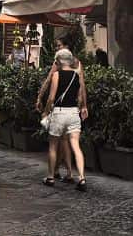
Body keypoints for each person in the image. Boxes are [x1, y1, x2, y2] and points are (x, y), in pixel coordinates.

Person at [41, 48, 88, 190]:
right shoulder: (76, 75)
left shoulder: (56, 75)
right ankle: (82, 178)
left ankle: (50, 177)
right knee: (76, 145)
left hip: (59, 113)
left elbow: (51, 97)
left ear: (59, 61)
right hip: (74, 113)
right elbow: (80, 96)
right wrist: (83, 107)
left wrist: (45, 111)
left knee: (53, 146)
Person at [37, 38, 75, 182]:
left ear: (66, 47)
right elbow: (81, 86)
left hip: (59, 108)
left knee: (54, 143)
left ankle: (52, 174)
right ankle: (68, 172)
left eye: (58, 46)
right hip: (72, 109)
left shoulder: (58, 63)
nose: (56, 48)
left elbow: (49, 80)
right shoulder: (76, 63)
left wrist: (40, 97)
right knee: (65, 142)